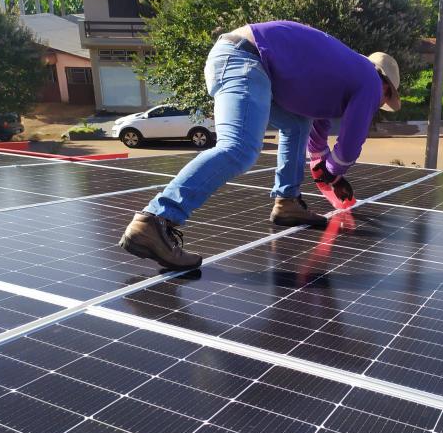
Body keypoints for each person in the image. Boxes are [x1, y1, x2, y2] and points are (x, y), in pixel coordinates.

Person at [118, 20, 402, 270]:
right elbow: (351, 141)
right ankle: (155, 219)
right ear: (386, 86)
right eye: (385, 100)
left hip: (246, 59)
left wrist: (326, 170)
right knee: (240, 148)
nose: (380, 104)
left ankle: (287, 202)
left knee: (296, 125)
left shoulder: (344, 74)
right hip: (245, 59)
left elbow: (316, 131)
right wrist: (335, 171)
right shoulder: (369, 80)